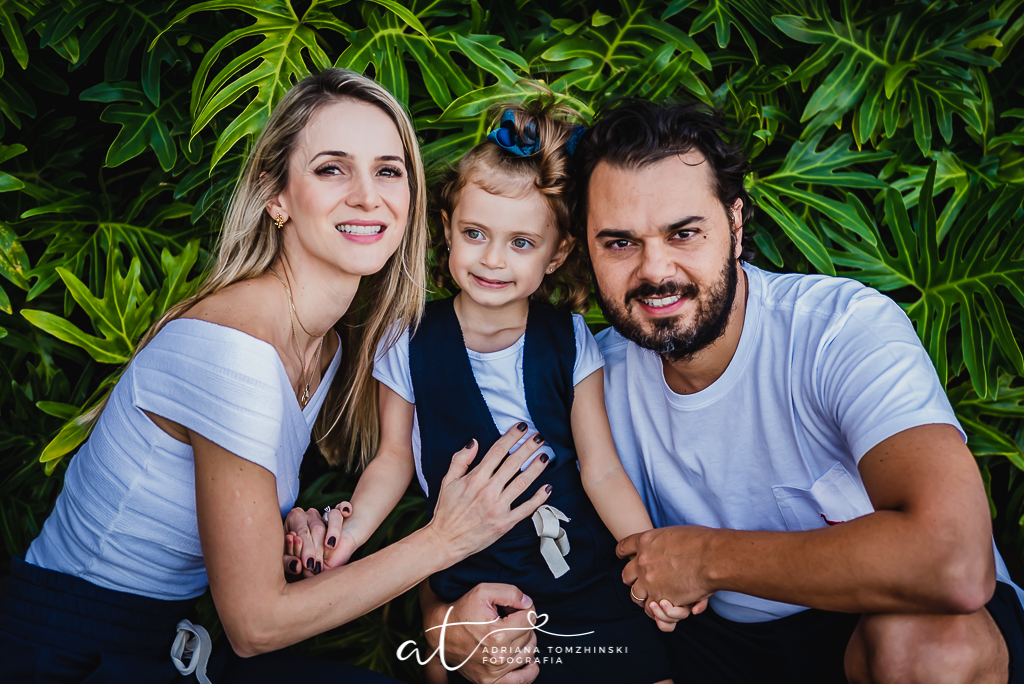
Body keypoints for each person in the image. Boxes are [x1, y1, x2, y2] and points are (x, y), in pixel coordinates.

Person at [422, 98, 1024, 684]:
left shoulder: (837, 331)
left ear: (734, 223)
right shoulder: (586, 375)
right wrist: (442, 625)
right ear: (581, 249)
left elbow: (953, 562)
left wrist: (706, 559)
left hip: (870, 622)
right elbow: (477, 506)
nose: (655, 270)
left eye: (684, 233)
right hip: (703, 645)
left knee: (927, 648)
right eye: (620, 242)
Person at [0, 68, 554, 684]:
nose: (368, 196)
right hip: (64, 651)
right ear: (276, 195)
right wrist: (447, 537)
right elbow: (256, 625)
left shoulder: (326, 350)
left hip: (164, 644)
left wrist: (285, 531)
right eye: (332, 169)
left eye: (388, 170)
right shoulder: (235, 352)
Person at [317, 102, 675, 684]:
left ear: (557, 253)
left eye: (521, 243)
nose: (492, 259)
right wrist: (348, 534)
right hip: (479, 586)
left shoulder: (571, 341)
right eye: (475, 233)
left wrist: (648, 559)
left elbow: (602, 470)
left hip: (582, 576)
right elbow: (392, 461)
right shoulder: (405, 341)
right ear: (447, 227)